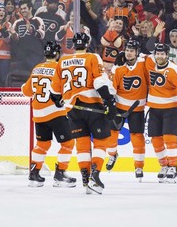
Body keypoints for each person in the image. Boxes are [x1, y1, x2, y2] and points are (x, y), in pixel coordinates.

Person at [50, 32, 116, 195]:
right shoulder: (93, 57)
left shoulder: (62, 61)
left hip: (72, 110)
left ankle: (86, 180)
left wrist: (58, 100)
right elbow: (99, 81)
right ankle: (94, 176)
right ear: (87, 44)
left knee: (82, 147)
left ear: (73, 45)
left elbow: (54, 91)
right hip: (92, 105)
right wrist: (108, 101)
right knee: (101, 142)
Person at [22, 41, 76, 188]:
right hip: (55, 112)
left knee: (42, 144)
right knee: (68, 143)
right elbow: (65, 89)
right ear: (57, 54)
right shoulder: (59, 68)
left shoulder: (37, 68)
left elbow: (26, 91)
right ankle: (60, 174)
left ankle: (34, 175)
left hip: (38, 114)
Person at [106, 38, 147, 181]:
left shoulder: (144, 63)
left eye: (132, 51)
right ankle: (112, 155)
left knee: (137, 137)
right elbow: (112, 88)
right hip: (120, 106)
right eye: (127, 50)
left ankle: (139, 166)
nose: (129, 53)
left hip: (137, 108)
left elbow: (155, 58)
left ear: (137, 53)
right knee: (111, 135)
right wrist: (109, 103)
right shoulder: (118, 68)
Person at [145, 43, 177, 183]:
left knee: (169, 138)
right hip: (154, 108)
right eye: (158, 53)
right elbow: (140, 55)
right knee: (156, 139)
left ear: (167, 55)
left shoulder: (174, 69)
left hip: (171, 108)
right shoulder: (150, 64)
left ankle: (173, 166)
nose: (159, 56)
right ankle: (163, 165)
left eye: (162, 54)